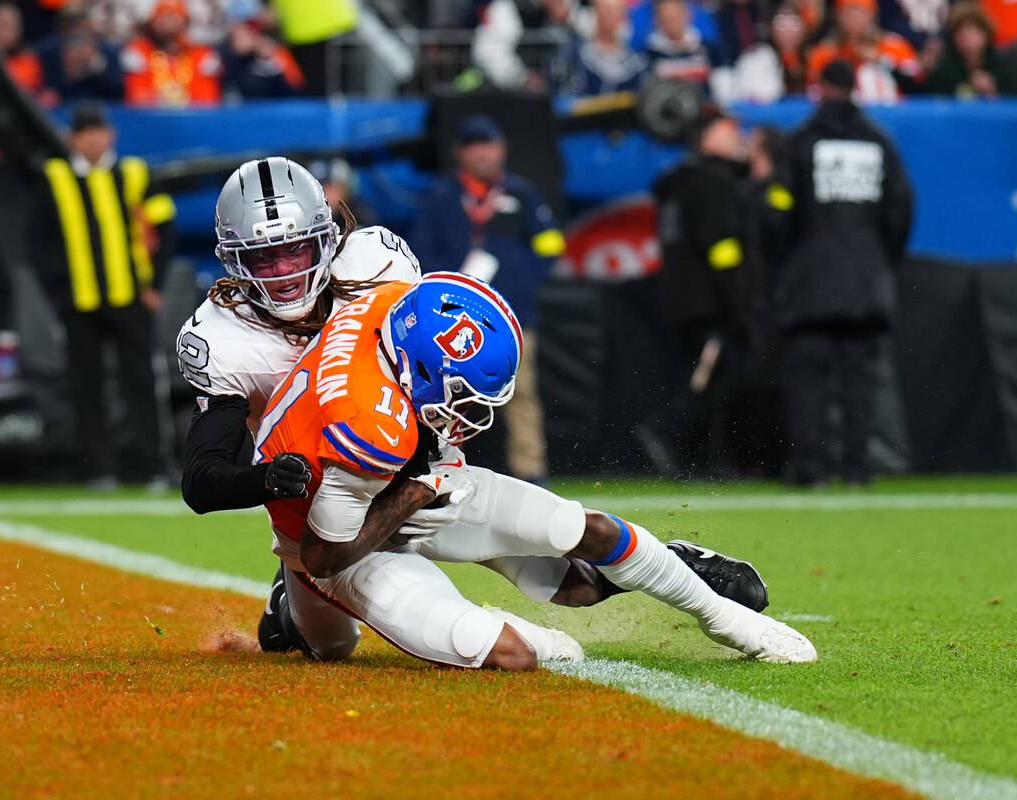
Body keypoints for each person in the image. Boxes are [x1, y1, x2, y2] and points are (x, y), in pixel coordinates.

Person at [179, 157, 772, 654]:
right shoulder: (225, 340)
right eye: (265, 259)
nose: (284, 274)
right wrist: (268, 481)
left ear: (327, 238)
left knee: (565, 579)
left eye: (297, 250)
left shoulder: (373, 264)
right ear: (234, 260)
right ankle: (292, 606)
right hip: (326, 497)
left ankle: (666, 561)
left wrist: (426, 459)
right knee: (329, 647)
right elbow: (204, 479)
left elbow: (434, 368)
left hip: (418, 464)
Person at [253, 271, 817, 670]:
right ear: (414, 370)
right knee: (498, 654)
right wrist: (418, 491)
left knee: (583, 544)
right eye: (462, 401)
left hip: (416, 483)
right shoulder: (364, 427)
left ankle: (721, 616)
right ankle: (293, 609)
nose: (471, 419)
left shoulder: (398, 302)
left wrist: (426, 484)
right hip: (334, 537)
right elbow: (324, 554)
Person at [774, 60, 913, 487]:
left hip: (811, 282)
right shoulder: (878, 140)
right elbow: (901, 207)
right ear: (854, 87)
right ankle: (857, 469)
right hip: (867, 283)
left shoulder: (800, 141)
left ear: (820, 88)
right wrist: (878, 258)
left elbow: (780, 209)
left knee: (809, 381)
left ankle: (813, 469)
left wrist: (788, 260)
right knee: (860, 383)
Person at [408, 114, 560, 486]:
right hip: (450, 321)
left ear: (502, 149)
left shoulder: (522, 193)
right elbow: (421, 253)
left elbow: (550, 246)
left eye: (489, 144)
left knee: (521, 392)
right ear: (461, 152)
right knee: (442, 396)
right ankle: (441, 467)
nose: (483, 153)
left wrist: (518, 286)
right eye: (475, 145)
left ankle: (531, 471)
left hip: (509, 316)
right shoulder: (441, 197)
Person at [30, 105, 177, 488]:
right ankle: (96, 468)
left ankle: (153, 466)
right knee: (85, 386)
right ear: (72, 139)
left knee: (141, 382)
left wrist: (155, 286)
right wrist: (56, 294)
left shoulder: (136, 173)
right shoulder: (53, 177)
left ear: (110, 135)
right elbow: (38, 242)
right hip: (78, 302)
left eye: (97, 131)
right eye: (83, 132)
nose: (92, 139)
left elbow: (164, 229)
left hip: (131, 298)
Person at [633, 105, 759, 479]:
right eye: (728, 128)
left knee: (701, 378)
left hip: (679, 299)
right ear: (706, 137)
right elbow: (720, 248)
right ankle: (667, 436)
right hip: (710, 302)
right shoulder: (711, 182)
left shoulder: (678, 185)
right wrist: (740, 303)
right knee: (709, 382)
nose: (737, 135)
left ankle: (701, 461)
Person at [805, 0, 923, 99]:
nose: (855, 20)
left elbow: (916, 84)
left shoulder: (894, 46)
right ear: (838, 16)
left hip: (894, 114)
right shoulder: (825, 52)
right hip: (844, 118)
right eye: (849, 14)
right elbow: (813, 92)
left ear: (872, 15)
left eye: (861, 13)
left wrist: (882, 61)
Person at [121, 0, 221, 107]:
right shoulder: (138, 52)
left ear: (186, 21)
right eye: (162, 14)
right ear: (152, 23)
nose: (167, 19)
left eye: (174, 14)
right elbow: (137, 98)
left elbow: (208, 100)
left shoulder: (203, 56)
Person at [548, 0, 649, 96]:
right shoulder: (574, 54)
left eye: (615, 12)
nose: (609, 17)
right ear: (596, 13)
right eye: (605, 11)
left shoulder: (636, 62)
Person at [926, 2, 1017, 98]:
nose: (966, 37)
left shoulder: (1005, 65)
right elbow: (938, 104)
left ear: (985, 32)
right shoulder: (944, 68)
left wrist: (992, 91)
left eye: (972, 30)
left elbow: (1011, 104)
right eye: (960, 32)